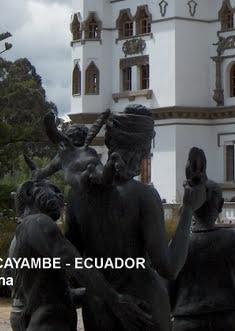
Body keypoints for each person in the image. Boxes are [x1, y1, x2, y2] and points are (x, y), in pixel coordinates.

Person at [65, 104, 206, 331]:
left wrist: (105, 295)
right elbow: (168, 267)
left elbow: (71, 263)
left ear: (110, 142)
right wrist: (189, 208)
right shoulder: (143, 195)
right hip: (144, 306)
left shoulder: (77, 196)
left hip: (100, 310)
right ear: (141, 148)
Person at [7, 175, 151, 331]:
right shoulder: (38, 222)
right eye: (53, 190)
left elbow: (48, 295)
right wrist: (116, 300)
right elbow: (76, 264)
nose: (60, 196)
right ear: (29, 192)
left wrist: (91, 294)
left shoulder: (23, 233)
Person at [168, 168, 235, 331]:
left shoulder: (178, 246)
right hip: (228, 319)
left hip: (186, 320)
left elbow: (168, 289)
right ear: (221, 205)